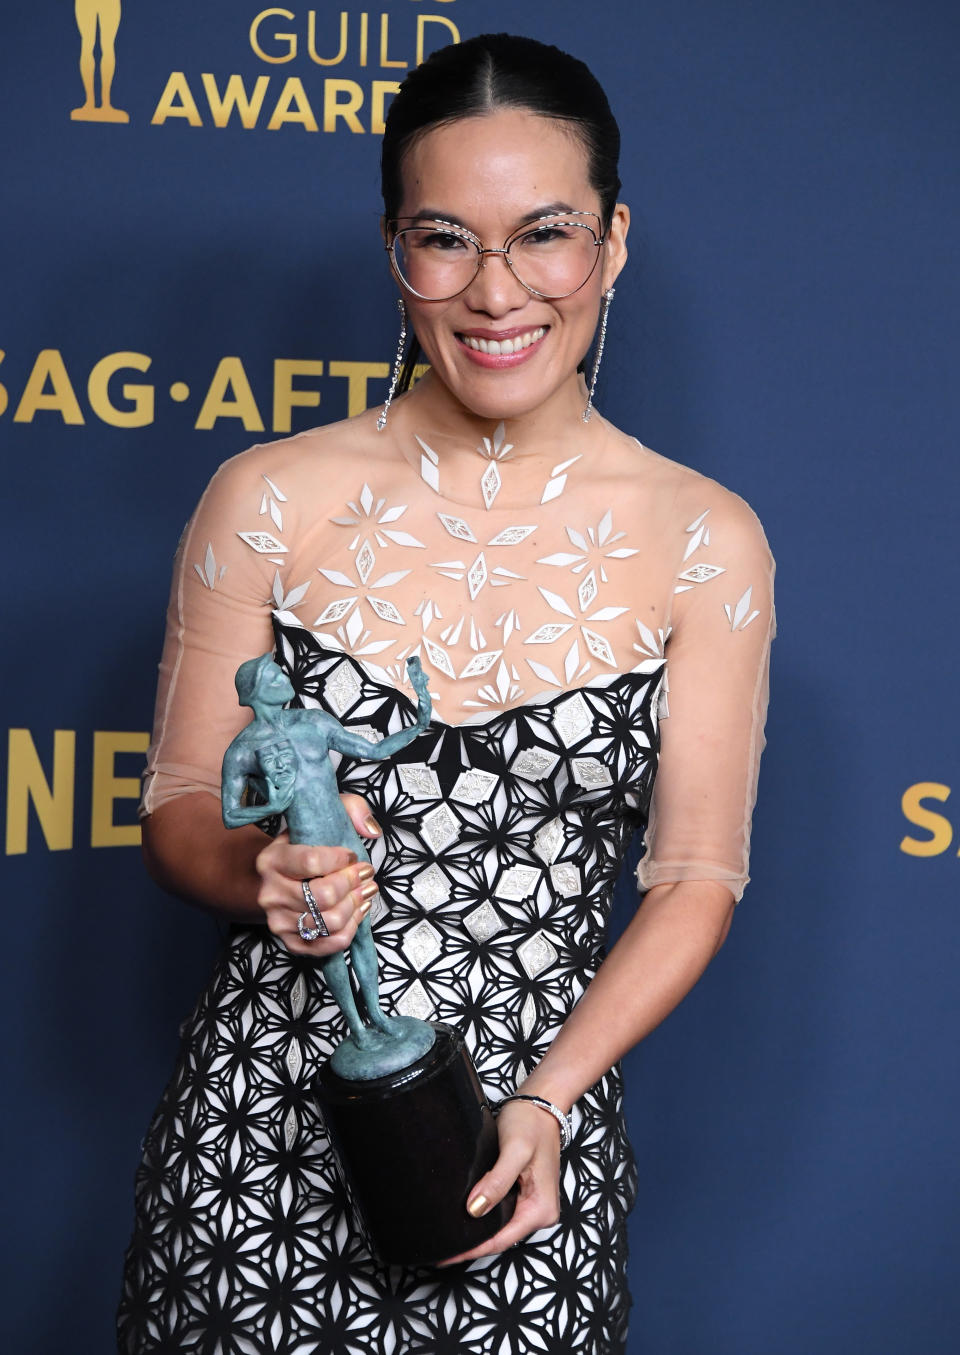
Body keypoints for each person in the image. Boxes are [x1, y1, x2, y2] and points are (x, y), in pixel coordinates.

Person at [117, 32, 775, 1355]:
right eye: (446, 240)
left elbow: (697, 870)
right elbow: (182, 803)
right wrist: (265, 874)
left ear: (614, 239)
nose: (498, 292)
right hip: (264, 1141)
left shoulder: (706, 539)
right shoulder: (266, 497)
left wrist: (548, 1103)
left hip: (525, 1152)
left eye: (545, 234)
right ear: (394, 251)